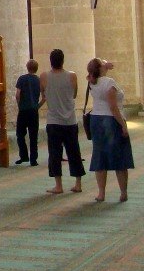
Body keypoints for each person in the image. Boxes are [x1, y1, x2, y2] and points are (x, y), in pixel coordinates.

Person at [87, 57, 134, 202]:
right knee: (119, 156)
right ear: (101, 68)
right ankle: (123, 192)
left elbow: (93, 71)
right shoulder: (109, 82)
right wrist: (123, 125)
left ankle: (101, 193)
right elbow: (113, 108)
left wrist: (104, 65)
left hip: (96, 120)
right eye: (103, 63)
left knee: (100, 156)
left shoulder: (91, 80)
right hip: (110, 121)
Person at [40, 49, 85, 194]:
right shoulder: (72, 76)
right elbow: (74, 94)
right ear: (63, 60)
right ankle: (78, 183)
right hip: (70, 120)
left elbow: (43, 94)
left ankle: (58, 185)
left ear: (50, 61)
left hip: (53, 121)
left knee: (54, 153)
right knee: (74, 152)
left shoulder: (44, 76)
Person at [15, 59, 41, 165]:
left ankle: (24, 156)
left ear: (27, 67)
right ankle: (33, 159)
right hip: (34, 111)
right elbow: (44, 97)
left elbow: (17, 94)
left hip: (23, 110)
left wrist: (19, 105)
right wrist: (37, 106)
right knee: (33, 136)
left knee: (20, 134)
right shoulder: (39, 80)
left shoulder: (22, 78)